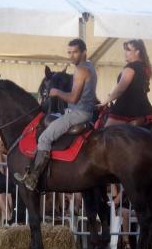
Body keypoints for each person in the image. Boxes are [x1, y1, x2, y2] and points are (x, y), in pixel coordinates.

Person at [15, 38, 97, 191]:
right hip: (82, 111)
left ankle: (33, 179)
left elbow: (73, 98)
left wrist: (56, 92)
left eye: (75, 52)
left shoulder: (81, 70)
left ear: (84, 52)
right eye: (69, 52)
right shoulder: (90, 66)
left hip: (78, 114)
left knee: (45, 138)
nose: (71, 56)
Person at [99, 39, 152, 126]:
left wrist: (105, 102)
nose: (125, 53)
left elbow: (120, 89)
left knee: (105, 133)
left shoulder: (131, 67)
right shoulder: (145, 68)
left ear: (137, 52)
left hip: (125, 110)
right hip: (144, 110)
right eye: (125, 50)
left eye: (128, 50)